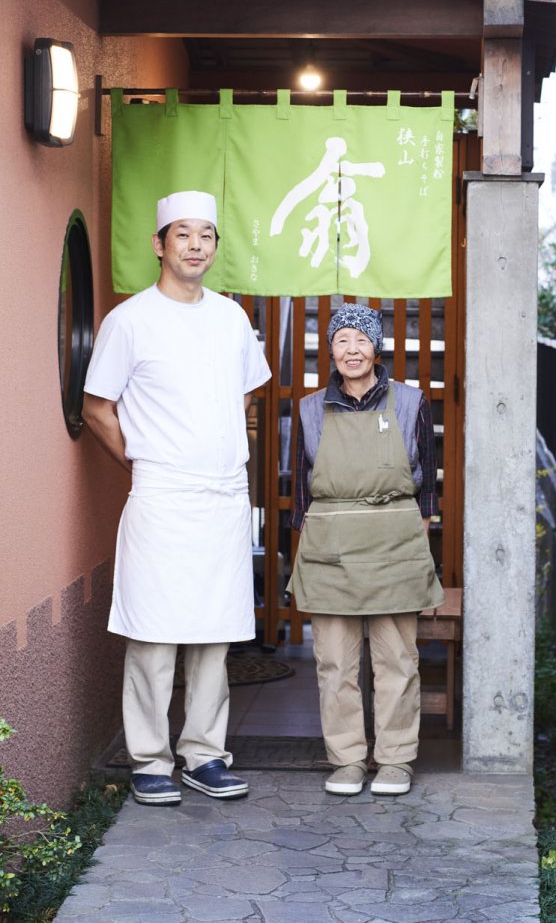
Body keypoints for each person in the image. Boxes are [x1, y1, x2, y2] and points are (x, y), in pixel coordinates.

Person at [82, 191, 271, 807]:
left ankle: (204, 755)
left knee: (215, 634)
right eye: (183, 234)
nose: (196, 245)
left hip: (221, 496)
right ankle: (149, 760)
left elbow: (246, 395)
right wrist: (143, 458)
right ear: (160, 245)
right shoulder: (129, 320)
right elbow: (97, 406)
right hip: (162, 494)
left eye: (207, 235)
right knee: (155, 631)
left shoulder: (232, 318)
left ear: (215, 247)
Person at [288, 303, 443, 797]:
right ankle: (348, 759)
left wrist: (413, 534)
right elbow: (299, 492)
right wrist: (306, 549)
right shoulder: (311, 409)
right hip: (331, 548)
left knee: (397, 660)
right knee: (334, 662)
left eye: (361, 340)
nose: (352, 350)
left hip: (392, 546)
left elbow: (428, 487)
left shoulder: (411, 402)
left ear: (377, 348)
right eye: (342, 340)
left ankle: (396, 758)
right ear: (329, 349)